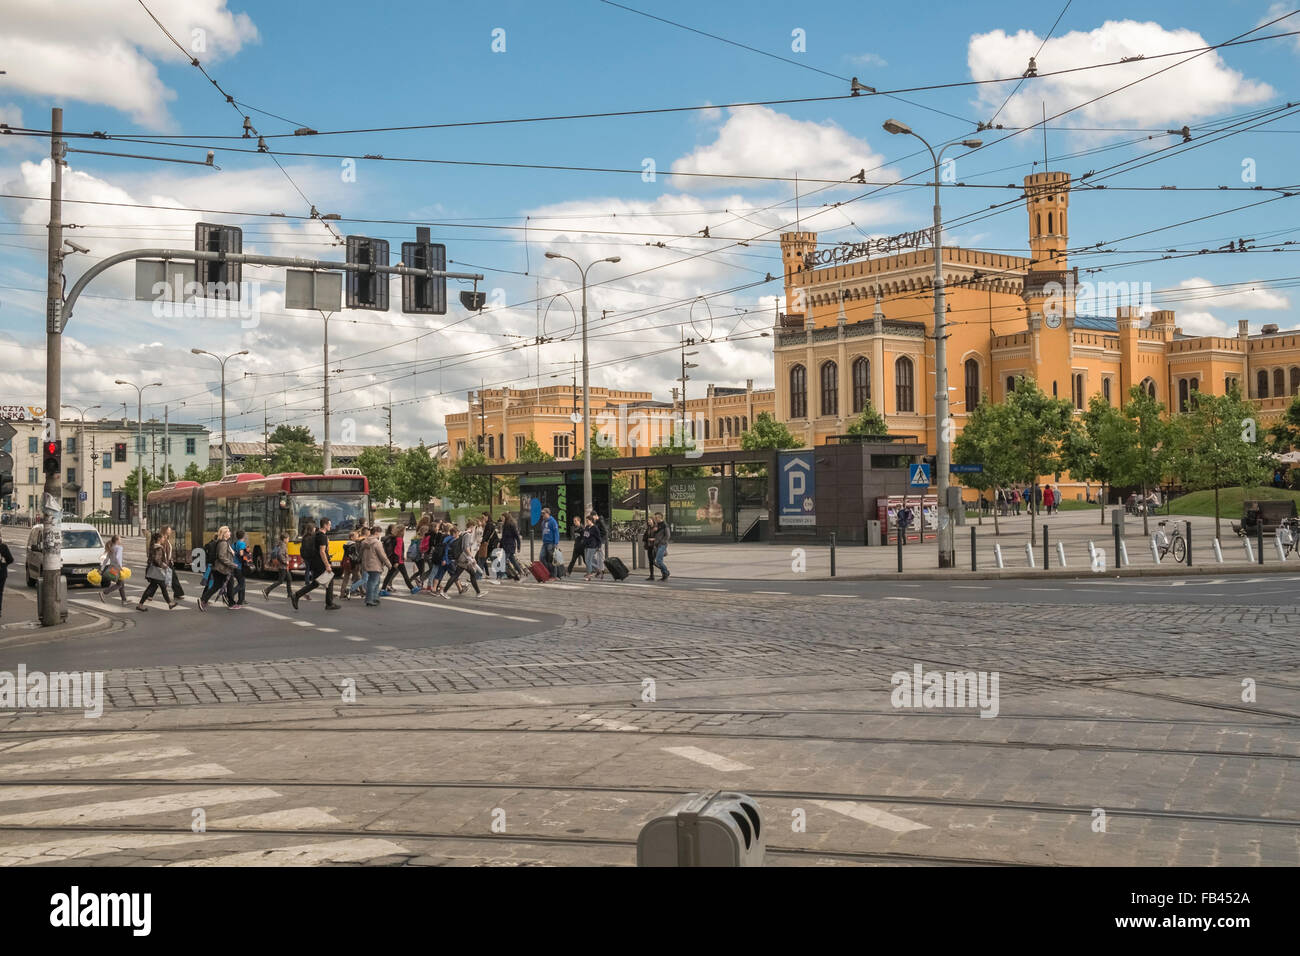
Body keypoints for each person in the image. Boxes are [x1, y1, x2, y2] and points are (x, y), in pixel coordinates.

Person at [291, 517, 338, 611]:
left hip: (315, 562)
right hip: (320, 563)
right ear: (324, 525)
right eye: (329, 524)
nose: (330, 526)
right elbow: (322, 552)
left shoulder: (316, 534)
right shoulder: (322, 536)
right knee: (330, 579)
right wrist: (327, 565)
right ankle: (329, 604)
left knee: (315, 584)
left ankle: (297, 595)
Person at [443, 518, 483, 598]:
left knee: (470, 573)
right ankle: (444, 591)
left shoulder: (463, 533)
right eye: (474, 527)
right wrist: (472, 557)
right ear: (472, 526)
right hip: (464, 558)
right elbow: (466, 548)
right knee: (456, 575)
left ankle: (478, 592)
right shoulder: (467, 534)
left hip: (461, 557)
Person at [198, 526, 236, 611]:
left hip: (220, 569)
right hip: (222, 569)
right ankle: (231, 603)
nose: (230, 533)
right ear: (224, 534)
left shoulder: (224, 542)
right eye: (228, 531)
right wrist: (232, 564)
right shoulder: (223, 543)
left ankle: (203, 600)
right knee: (228, 584)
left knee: (218, 585)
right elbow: (221, 556)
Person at [136, 530, 175, 611]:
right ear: (159, 539)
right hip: (157, 571)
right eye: (162, 538)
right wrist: (163, 565)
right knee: (161, 587)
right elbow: (157, 559)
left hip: (153, 570)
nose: (164, 539)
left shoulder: (153, 546)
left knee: (154, 587)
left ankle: (140, 604)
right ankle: (169, 603)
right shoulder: (158, 548)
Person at [360, 525, 391, 606]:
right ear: (376, 533)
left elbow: (360, 553)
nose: (380, 535)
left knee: (375, 582)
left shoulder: (364, 542)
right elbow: (382, 555)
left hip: (366, 564)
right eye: (379, 533)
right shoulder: (377, 543)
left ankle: (375, 598)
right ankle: (369, 599)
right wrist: (388, 564)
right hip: (375, 565)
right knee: (373, 582)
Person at [382, 524, 415, 595]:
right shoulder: (399, 539)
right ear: (401, 531)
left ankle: (383, 589)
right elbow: (397, 551)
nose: (405, 532)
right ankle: (412, 588)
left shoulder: (394, 537)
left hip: (394, 560)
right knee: (405, 575)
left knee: (389, 575)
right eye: (404, 530)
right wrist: (397, 561)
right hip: (398, 561)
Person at [98, 534, 129, 605]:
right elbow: (118, 558)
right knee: (119, 584)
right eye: (120, 539)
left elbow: (106, 560)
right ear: (117, 540)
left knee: (121, 584)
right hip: (117, 568)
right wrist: (121, 568)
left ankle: (124, 600)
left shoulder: (111, 548)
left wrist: (102, 569)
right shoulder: (119, 548)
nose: (121, 540)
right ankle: (104, 592)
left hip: (111, 568)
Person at [263, 533, 293, 601]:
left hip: (283, 566)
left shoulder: (280, 544)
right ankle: (267, 590)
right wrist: (286, 561)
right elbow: (280, 554)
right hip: (283, 566)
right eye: (288, 538)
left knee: (289, 579)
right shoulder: (283, 545)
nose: (288, 540)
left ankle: (290, 594)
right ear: (285, 539)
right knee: (280, 581)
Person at [500, 513, 524, 581]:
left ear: (506, 517)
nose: (501, 519)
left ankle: (505, 574)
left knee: (503, 560)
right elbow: (503, 537)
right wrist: (501, 544)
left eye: (502, 518)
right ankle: (520, 571)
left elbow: (517, 536)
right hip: (506, 545)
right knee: (512, 560)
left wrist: (519, 547)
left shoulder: (511, 525)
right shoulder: (504, 525)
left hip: (510, 545)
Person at [339, 530, 363, 600]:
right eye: (356, 536)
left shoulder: (346, 545)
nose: (358, 537)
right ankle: (362, 592)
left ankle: (342, 594)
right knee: (359, 578)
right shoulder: (353, 545)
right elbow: (354, 557)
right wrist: (358, 562)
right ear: (352, 537)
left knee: (345, 579)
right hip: (353, 565)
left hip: (347, 564)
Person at [584, 513, 606, 581]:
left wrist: (599, 546)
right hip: (587, 546)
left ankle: (589, 575)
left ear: (591, 520)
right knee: (588, 560)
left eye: (588, 521)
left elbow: (599, 538)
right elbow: (585, 536)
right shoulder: (587, 527)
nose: (587, 522)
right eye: (586, 521)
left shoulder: (595, 528)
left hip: (593, 546)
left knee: (588, 561)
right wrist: (584, 543)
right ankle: (599, 570)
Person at [231, 530, 250, 607]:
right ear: (243, 536)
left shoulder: (234, 544)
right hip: (239, 566)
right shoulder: (242, 543)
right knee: (241, 584)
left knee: (241, 583)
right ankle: (230, 594)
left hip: (234, 565)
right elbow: (242, 554)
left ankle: (241, 600)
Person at [539, 507, 560, 574]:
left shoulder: (552, 521)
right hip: (545, 543)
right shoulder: (543, 522)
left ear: (548, 513)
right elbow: (543, 531)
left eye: (543, 513)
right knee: (541, 557)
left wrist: (556, 543)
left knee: (552, 559)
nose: (542, 515)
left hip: (551, 543)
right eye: (542, 513)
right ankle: (547, 571)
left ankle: (554, 574)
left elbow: (556, 532)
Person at [651, 512, 670, 582]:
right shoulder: (657, 525)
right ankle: (664, 575)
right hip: (657, 545)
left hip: (662, 545)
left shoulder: (665, 525)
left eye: (656, 518)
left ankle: (666, 572)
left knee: (658, 560)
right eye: (655, 518)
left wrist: (662, 542)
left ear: (660, 517)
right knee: (658, 561)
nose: (655, 519)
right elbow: (655, 535)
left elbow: (667, 535)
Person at [0, 529, 12, 619]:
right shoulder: (3, 547)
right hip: (1, 572)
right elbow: (11, 559)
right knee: (0, 592)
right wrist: (4, 564)